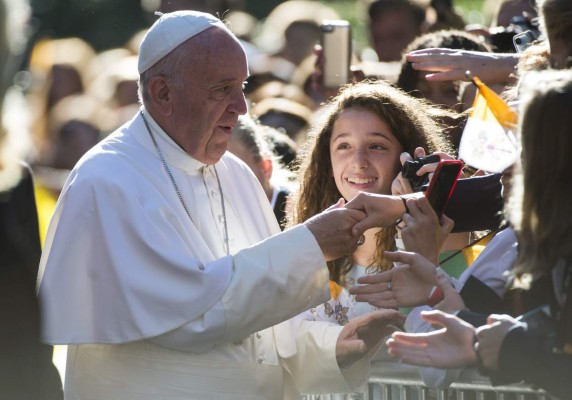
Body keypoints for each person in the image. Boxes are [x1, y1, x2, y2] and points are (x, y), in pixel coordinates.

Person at [36, 10, 405, 400]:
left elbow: (263, 329)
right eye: (222, 89)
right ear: (163, 93)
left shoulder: (236, 174)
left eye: (242, 87)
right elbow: (194, 319)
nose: (242, 107)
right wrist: (310, 244)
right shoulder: (106, 181)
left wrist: (335, 348)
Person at [384, 69, 572, 400]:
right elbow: (443, 355)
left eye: (525, 147)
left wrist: (515, 345)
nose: (505, 167)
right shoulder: (519, 242)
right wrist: (434, 286)